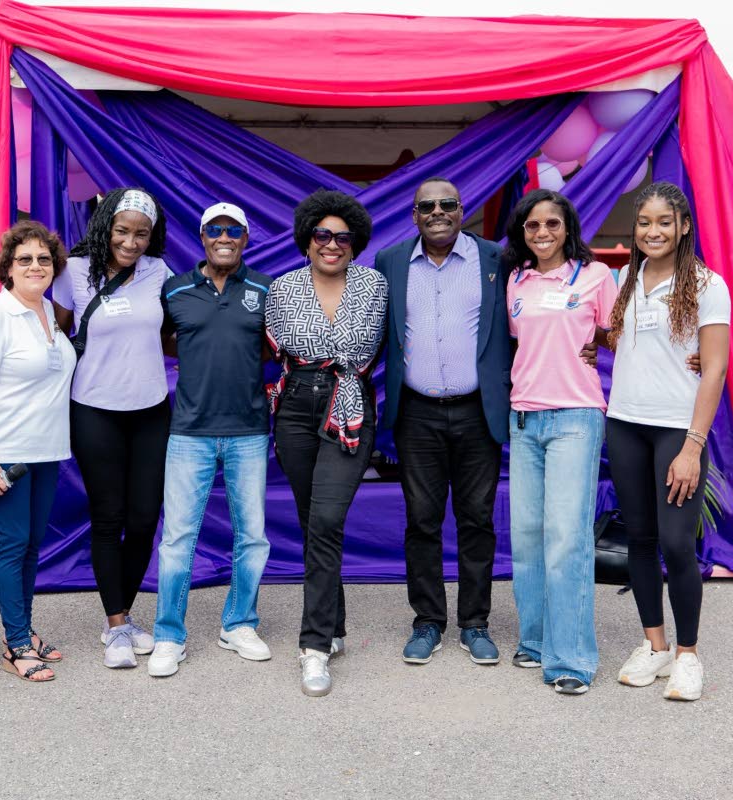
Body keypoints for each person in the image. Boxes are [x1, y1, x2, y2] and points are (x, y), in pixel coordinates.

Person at [374, 177, 513, 667]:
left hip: (478, 412)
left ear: (462, 210)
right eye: (427, 205)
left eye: (447, 204)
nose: (438, 212)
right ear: (414, 214)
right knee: (422, 520)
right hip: (416, 413)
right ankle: (428, 621)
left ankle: (475, 623)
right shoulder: (389, 262)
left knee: (477, 520)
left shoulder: (496, 259)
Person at [605, 182, 730, 702]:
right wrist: (595, 345)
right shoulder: (625, 279)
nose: (652, 231)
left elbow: (716, 367)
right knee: (639, 540)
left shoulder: (706, 283)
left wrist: (692, 447)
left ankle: (688, 656)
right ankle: (654, 645)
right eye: (643, 223)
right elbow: (618, 338)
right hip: (625, 423)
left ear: (683, 227)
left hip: (677, 430)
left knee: (678, 543)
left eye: (663, 222)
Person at [266, 190, 387, 696]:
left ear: (355, 242)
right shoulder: (282, 287)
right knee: (310, 517)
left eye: (342, 237)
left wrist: (324, 358)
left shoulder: (374, 286)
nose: (331, 244)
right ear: (307, 239)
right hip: (294, 406)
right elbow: (277, 345)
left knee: (326, 519)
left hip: (350, 407)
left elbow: (364, 346)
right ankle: (334, 625)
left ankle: (313, 647)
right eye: (322, 235)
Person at [149, 202, 273, 678]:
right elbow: (162, 338)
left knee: (253, 537)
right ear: (202, 237)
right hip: (189, 432)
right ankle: (168, 635)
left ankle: (238, 624)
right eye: (215, 230)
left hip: (247, 431)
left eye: (234, 230)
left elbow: (268, 344)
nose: (225, 237)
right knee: (179, 538)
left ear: (246, 237)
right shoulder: (175, 289)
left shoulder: (264, 288)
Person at [503, 188, 619, 696]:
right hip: (524, 419)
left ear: (568, 227)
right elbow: (519, 341)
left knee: (567, 538)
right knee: (527, 536)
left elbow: (620, 334)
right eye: (533, 226)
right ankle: (534, 641)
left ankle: (570, 659)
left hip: (575, 416)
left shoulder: (595, 276)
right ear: (522, 233)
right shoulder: (516, 280)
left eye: (552, 223)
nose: (543, 233)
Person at [52, 188, 170, 669]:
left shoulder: (159, 272)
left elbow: (169, 333)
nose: (132, 241)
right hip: (94, 408)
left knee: (145, 518)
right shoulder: (73, 272)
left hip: (150, 408)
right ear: (105, 227)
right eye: (122, 231)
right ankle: (117, 624)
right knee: (109, 517)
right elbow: (55, 334)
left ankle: (123, 615)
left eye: (141, 233)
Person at [0, 220, 76, 683]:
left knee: (31, 546)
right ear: (8, 268)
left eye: (44, 259)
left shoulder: (50, 312)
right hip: (2, 453)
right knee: (11, 547)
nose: (35, 266)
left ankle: (25, 631)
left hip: (44, 452)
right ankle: (15, 646)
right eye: (24, 259)